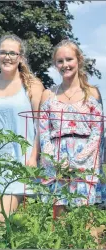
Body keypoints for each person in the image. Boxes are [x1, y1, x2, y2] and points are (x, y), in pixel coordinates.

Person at [0, 34, 44, 220]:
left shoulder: (33, 86)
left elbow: (40, 127)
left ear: (20, 57)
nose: (7, 57)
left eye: (13, 53)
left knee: (1, 220)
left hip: (19, 165)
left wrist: (33, 157)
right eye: (3, 52)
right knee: (1, 222)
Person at [39, 40, 105, 216]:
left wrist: (77, 161)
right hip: (56, 163)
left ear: (79, 60)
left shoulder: (92, 93)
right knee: (58, 222)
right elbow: (43, 133)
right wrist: (57, 161)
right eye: (60, 61)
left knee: (84, 222)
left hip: (85, 163)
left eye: (69, 59)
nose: (65, 65)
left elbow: (98, 132)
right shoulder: (48, 94)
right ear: (55, 64)